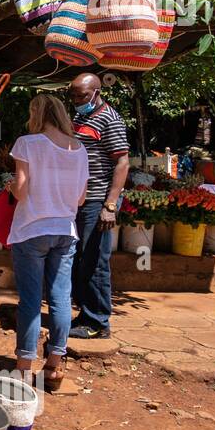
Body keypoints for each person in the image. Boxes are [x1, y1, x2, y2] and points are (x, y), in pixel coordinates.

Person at [8, 94, 88, 389]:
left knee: (30, 300)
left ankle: (23, 371)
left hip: (31, 229)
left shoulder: (28, 143)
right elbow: (81, 198)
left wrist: (9, 187)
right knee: (60, 298)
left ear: (36, 114)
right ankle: (54, 367)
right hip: (65, 231)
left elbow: (21, 190)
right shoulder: (79, 149)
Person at [67, 71, 130, 339]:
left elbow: (122, 163)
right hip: (79, 201)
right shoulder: (81, 117)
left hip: (97, 201)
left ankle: (98, 322)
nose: (76, 100)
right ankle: (85, 313)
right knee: (80, 259)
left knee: (95, 261)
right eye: (72, 96)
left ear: (96, 92)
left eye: (81, 96)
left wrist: (111, 204)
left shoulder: (110, 119)